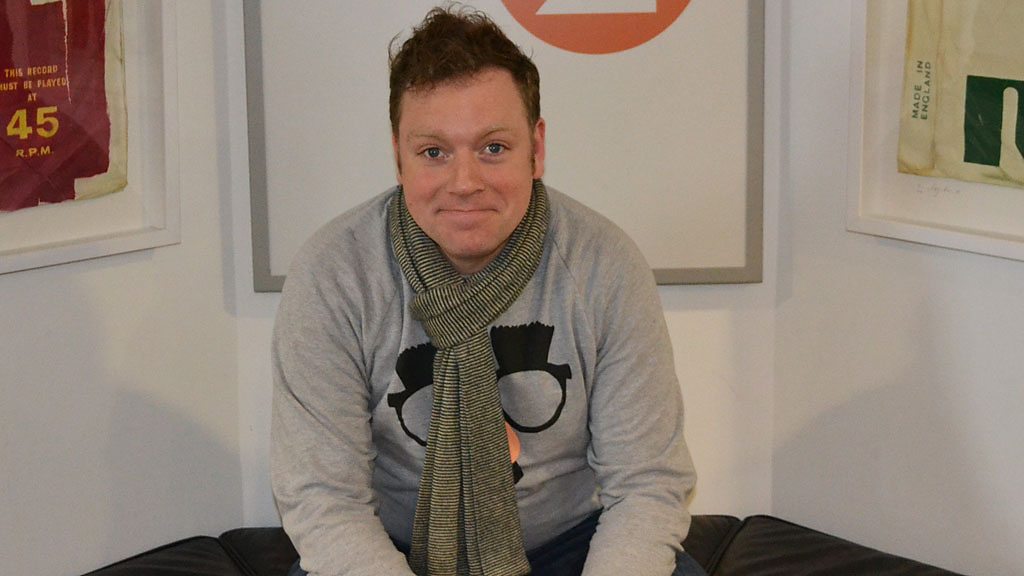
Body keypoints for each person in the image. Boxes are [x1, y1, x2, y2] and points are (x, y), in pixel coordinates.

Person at [271, 5, 702, 576]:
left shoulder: (605, 266)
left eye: (493, 147)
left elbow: (646, 485)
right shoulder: (332, 275)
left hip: (573, 546)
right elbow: (324, 501)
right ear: (398, 156)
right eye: (434, 152)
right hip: (391, 551)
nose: (465, 182)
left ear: (536, 149)